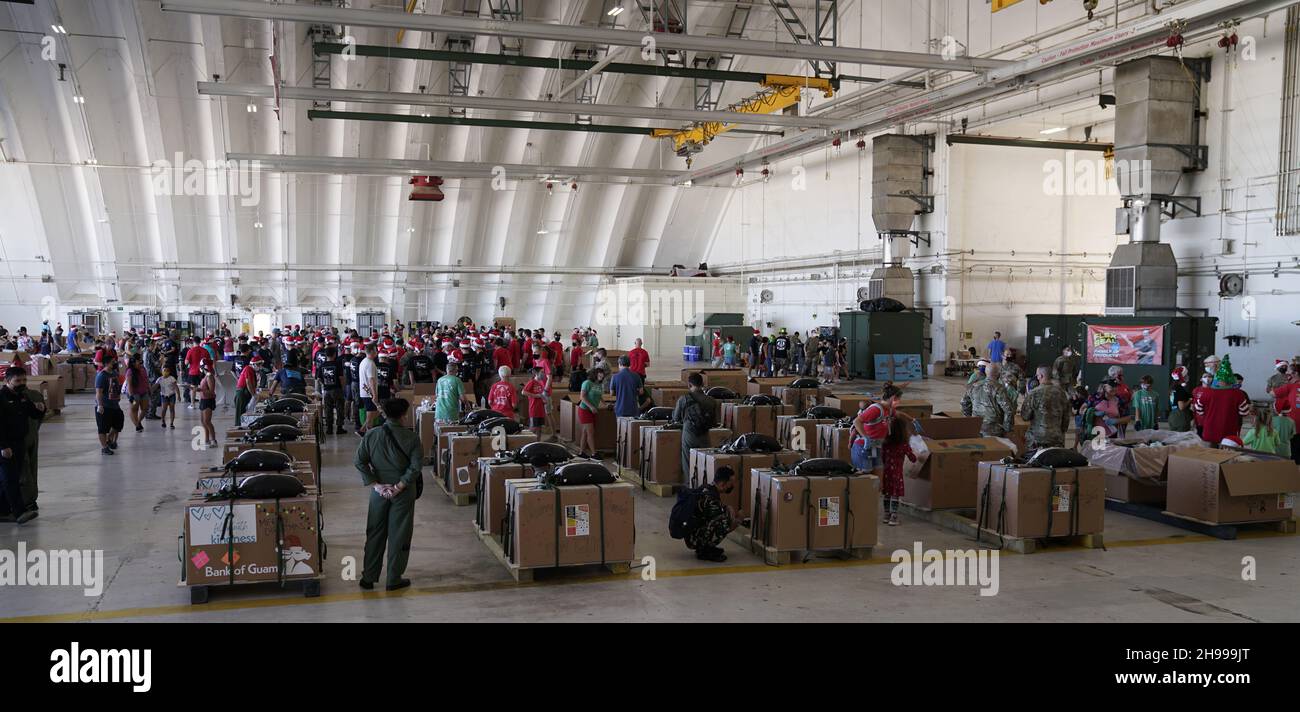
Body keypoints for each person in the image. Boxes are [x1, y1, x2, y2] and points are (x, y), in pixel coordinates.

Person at [354, 397, 423, 592]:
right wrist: (399, 486)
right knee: (399, 534)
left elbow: (359, 461)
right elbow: (416, 466)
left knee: (374, 533)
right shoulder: (411, 437)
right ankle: (393, 578)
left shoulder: (372, 434)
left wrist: (376, 485)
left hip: (379, 492)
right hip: (402, 492)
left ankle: (368, 577)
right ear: (404, 415)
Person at [1, 367, 44, 523]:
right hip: (6, 445)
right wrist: (3, 446)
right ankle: (19, 512)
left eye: (24, 380)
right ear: (8, 381)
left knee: (8, 478)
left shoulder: (22, 397)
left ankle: (3, 511)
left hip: (20, 442)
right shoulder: (1, 398)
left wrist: (41, 409)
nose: (22, 383)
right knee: (11, 479)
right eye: (17, 381)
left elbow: (33, 414)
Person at [681, 465, 739, 562]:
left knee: (723, 516)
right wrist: (738, 521)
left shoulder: (707, 488)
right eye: (730, 483)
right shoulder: (711, 498)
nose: (732, 486)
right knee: (724, 521)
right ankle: (704, 549)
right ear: (722, 484)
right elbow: (722, 523)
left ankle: (705, 546)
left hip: (692, 533)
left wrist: (727, 507)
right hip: (693, 539)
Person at [1192, 355, 1251, 446]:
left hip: (1210, 431)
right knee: (1226, 456)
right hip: (1229, 433)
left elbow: (1199, 409)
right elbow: (1244, 412)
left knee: (1209, 456)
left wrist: (1210, 415)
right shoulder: (1238, 394)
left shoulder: (1206, 392)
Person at [672, 373, 718, 477]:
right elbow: (714, 423)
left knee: (688, 463)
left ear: (689, 385)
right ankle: (704, 486)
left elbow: (675, 418)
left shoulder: (684, 399)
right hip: (705, 436)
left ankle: (690, 487)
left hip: (689, 435)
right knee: (705, 463)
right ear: (702, 384)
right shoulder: (711, 401)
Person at [1019, 366, 1072, 450]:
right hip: (1056, 438)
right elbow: (1066, 418)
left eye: (1037, 375)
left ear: (1041, 376)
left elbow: (1025, 416)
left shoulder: (1034, 393)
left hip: (1037, 439)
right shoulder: (1062, 393)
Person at [852, 385, 902, 471]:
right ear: (893, 398)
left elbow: (899, 414)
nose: (899, 402)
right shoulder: (876, 409)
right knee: (866, 478)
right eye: (899, 399)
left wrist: (912, 420)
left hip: (877, 447)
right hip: (863, 447)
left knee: (878, 478)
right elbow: (857, 421)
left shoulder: (890, 410)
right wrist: (866, 437)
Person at [879, 416, 916, 527]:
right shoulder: (904, 445)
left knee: (887, 494)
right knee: (895, 495)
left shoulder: (885, 444)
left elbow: (882, 458)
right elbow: (913, 458)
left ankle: (886, 515)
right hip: (897, 475)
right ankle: (894, 517)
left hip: (886, 473)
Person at [972, 363, 1015, 438]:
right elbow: (1009, 410)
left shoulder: (974, 386)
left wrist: (970, 420)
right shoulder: (999, 388)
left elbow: (964, 403)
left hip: (975, 427)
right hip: (993, 430)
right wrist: (1007, 429)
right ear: (998, 374)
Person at [95, 357, 125, 455]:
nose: (115, 363)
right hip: (105, 405)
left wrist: (118, 395)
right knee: (103, 428)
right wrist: (100, 405)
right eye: (113, 362)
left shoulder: (114, 374)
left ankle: (109, 439)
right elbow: (99, 392)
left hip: (115, 405)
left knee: (118, 423)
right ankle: (104, 447)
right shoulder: (101, 376)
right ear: (107, 364)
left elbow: (117, 386)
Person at [575, 368, 605, 458]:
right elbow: (582, 397)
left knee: (585, 432)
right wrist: (591, 406)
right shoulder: (587, 383)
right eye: (599, 375)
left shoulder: (599, 385)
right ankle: (594, 454)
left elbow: (599, 397)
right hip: (585, 410)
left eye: (602, 376)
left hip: (593, 411)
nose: (601, 377)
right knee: (590, 432)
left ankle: (581, 452)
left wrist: (606, 404)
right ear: (594, 374)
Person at [318, 346, 346, 435]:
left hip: (326, 390)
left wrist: (324, 384)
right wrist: (343, 388)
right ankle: (339, 428)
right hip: (337, 389)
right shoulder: (337, 364)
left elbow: (318, 378)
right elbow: (341, 378)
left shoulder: (322, 365)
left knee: (328, 409)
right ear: (334, 354)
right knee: (339, 408)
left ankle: (329, 428)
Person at [124, 354, 150, 433]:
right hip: (134, 394)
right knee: (134, 409)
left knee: (145, 408)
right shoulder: (130, 371)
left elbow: (146, 379)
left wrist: (148, 388)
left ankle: (138, 422)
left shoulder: (143, 369)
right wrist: (131, 396)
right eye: (138, 361)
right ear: (134, 362)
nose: (140, 362)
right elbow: (129, 385)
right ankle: (137, 425)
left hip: (144, 392)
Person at [357, 344, 380, 433]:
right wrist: (374, 394)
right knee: (371, 413)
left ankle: (362, 430)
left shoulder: (363, 362)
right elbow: (371, 380)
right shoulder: (370, 363)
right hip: (369, 393)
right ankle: (366, 432)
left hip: (364, 392)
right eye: (375, 350)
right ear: (371, 351)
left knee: (373, 412)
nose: (377, 352)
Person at [521, 367, 550, 433]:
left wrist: (544, 399)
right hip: (534, 409)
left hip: (541, 409)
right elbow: (523, 392)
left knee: (539, 429)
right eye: (542, 372)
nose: (543, 374)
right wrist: (536, 396)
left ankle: (538, 442)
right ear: (536, 373)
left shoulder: (541, 383)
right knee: (533, 428)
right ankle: (529, 442)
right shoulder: (532, 382)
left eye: (543, 372)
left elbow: (540, 394)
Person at [1167, 366, 1194, 433]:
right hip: (1180, 417)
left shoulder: (1173, 389)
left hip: (1172, 416)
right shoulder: (1180, 390)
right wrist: (1190, 400)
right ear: (1182, 377)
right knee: (1181, 440)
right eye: (1186, 375)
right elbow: (1181, 407)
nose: (1187, 376)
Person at [197, 361, 217, 448]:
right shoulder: (205, 376)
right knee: (203, 421)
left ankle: (213, 440)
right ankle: (207, 439)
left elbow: (211, 392)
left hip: (208, 400)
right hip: (203, 399)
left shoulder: (209, 377)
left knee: (207, 421)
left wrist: (200, 390)